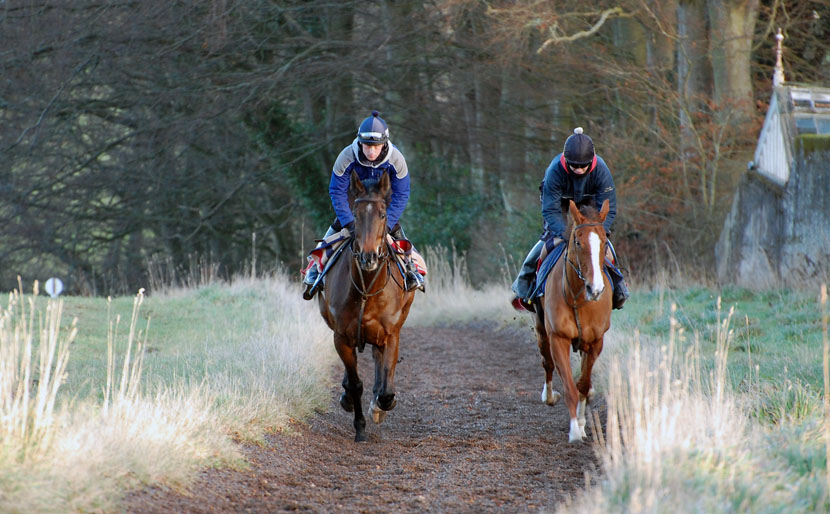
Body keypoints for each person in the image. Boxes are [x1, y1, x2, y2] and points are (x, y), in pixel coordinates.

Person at [302, 110, 425, 300]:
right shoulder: (346, 156)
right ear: (359, 142)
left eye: (376, 146)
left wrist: (389, 223)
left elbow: (402, 194)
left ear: (384, 143)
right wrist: (349, 222)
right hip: (354, 210)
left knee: (405, 248)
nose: (371, 151)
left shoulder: (397, 160)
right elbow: (336, 191)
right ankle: (315, 271)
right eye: (367, 146)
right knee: (326, 243)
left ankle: (412, 271)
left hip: (382, 211)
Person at [511, 127, 629, 311]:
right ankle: (525, 285)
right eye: (575, 165)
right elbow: (551, 210)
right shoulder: (554, 171)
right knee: (547, 244)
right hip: (559, 204)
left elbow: (609, 208)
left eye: (584, 166)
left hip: (590, 204)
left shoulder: (602, 171)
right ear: (566, 160)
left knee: (605, 249)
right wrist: (566, 234)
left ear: (592, 161)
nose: (580, 170)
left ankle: (619, 286)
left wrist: (598, 231)